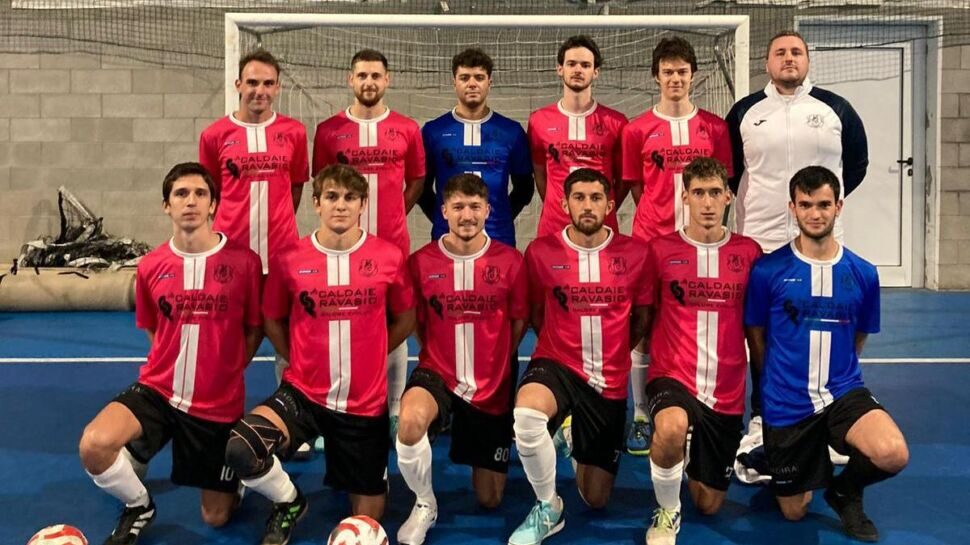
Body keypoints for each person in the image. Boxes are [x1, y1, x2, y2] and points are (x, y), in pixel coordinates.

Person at [224, 164, 416, 545]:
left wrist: (373, 352)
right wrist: (297, 358)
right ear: (316, 203)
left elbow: (406, 317)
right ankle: (289, 501)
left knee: (369, 518)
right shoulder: (290, 258)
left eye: (349, 198)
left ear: (363, 204)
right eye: (331, 197)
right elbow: (272, 318)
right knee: (242, 449)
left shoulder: (388, 256)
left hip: (363, 405)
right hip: (304, 394)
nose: (340, 205)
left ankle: (360, 470)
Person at [79, 162, 263, 545]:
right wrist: (170, 362)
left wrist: (226, 368)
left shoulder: (244, 262)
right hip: (159, 391)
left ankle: (234, 478)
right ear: (167, 205)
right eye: (181, 194)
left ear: (213, 204)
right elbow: (153, 327)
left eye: (200, 193)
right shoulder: (150, 266)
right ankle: (139, 505)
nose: (190, 201)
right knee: (94, 444)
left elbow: (254, 328)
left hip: (216, 404)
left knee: (216, 518)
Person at [744, 166, 908, 542]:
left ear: (838, 206)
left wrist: (840, 376)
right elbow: (756, 337)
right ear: (792, 208)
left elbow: (858, 338)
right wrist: (769, 394)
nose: (815, 213)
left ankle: (844, 491)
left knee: (892, 452)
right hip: (787, 403)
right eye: (805, 205)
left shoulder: (864, 273)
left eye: (823, 204)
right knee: (794, 512)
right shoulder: (767, 271)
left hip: (841, 393)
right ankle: (786, 454)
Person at [509, 168, 652, 545]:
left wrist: (616, 352)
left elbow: (642, 319)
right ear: (564, 204)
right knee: (527, 416)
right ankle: (548, 506)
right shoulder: (540, 252)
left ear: (610, 205)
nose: (587, 205)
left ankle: (572, 432)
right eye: (579, 197)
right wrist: (557, 345)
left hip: (608, 379)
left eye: (595, 198)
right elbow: (536, 313)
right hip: (556, 362)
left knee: (596, 498)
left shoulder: (636, 254)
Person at [397, 173, 529, 545]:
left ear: (488, 210)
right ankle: (425, 502)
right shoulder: (420, 262)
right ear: (443, 211)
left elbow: (519, 321)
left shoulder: (511, 261)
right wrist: (435, 354)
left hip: (492, 384)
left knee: (490, 498)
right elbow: (417, 321)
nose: (466, 215)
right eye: (457, 207)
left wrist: (497, 357)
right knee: (409, 421)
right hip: (437, 372)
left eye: (474, 207)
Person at [639, 157, 761, 545]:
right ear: (684, 197)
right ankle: (666, 511)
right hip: (671, 376)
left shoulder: (749, 252)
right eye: (698, 193)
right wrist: (640, 404)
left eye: (714, 193)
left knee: (708, 504)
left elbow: (756, 330)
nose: (707, 203)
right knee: (671, 427)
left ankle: (690, 455)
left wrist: (762, 400)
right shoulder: (659, 250)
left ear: (728, 197)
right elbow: (643, 324)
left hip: (725, 392)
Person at [621, 36, 733, 456]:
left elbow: (722, 183)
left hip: (701, 246)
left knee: (694, 324)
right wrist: (660, 224)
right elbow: (637, 187)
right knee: (644, 326)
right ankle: (640, 414)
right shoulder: (636, 129)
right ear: (656, 76)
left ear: (693, 75)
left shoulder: (715, 128)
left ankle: (698, 405)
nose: (675, 78)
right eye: (667, 72)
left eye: (682, 71)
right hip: (651, 243)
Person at [313, 49, 426, 436]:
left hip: (393, 246)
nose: (369, 82)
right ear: (350, 79)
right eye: (362, 75)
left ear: (387, 80)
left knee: (395, 320)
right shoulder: (329, 131)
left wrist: (394, 212)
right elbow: (323, 185)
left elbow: (417, 180)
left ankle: (393, 407)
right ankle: (331, 403)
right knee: (338, 320)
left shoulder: (407, 128)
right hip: (340, 247)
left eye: (376, 75)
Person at [726, 31, 868, 253]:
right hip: (759, 235)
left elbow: (857, 165)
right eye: (780, 53)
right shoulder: (744, 111)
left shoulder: (837, 109)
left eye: (796, 52)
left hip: (820, 236)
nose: (789, 58)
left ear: (808, 61)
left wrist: (823, 199)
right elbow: (729, 170)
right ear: (766, 64)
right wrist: (758, 198)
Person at [199, 48, 309, 274]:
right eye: (252, 82)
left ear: (277, 88)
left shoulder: (295, 132)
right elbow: (209, 193)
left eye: (268, 84)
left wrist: (278, 221)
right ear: (238, 85)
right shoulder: (213, 135)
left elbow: (296, 187)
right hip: (230, 252)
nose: (260, 91)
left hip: (282, 252)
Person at [419, 48, 534, 247]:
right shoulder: (433, 131)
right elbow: (422, 189)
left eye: (479, 77)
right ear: (454, 82)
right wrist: (444, 219)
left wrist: (501, 217)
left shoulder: (511, 131)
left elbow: (524, 189)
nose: (472, 84)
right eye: (464, 78)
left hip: (499, 238)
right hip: (446, 239)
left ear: (490, 82)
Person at [528, 35, 628, 239]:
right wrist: (557, 204)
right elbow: (540, 174)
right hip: (554, 227)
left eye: (585, 65)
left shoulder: (617, 123)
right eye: (571, 64)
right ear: (560, 69)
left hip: (601, 228)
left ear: (596, 72)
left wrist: (601, 207)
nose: (578, 70)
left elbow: (622, 180)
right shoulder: (539, 120)